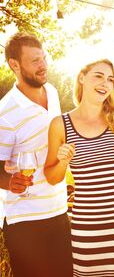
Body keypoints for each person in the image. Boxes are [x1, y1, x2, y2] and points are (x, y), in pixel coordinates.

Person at [44, 59, 114, 277]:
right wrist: (63, 161)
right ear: (82, 77)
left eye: (110, 79)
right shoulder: (60, 124)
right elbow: (51, 177)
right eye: (98, 76)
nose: (105, 83)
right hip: (88, 223)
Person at [0, 32, 72, 277]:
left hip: (58, 210)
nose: (43, 66)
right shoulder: (6, 113)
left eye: (43, 58)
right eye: (34, 61)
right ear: (14, 65)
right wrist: (10, 182)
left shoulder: (51, 92)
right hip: (25, 221)